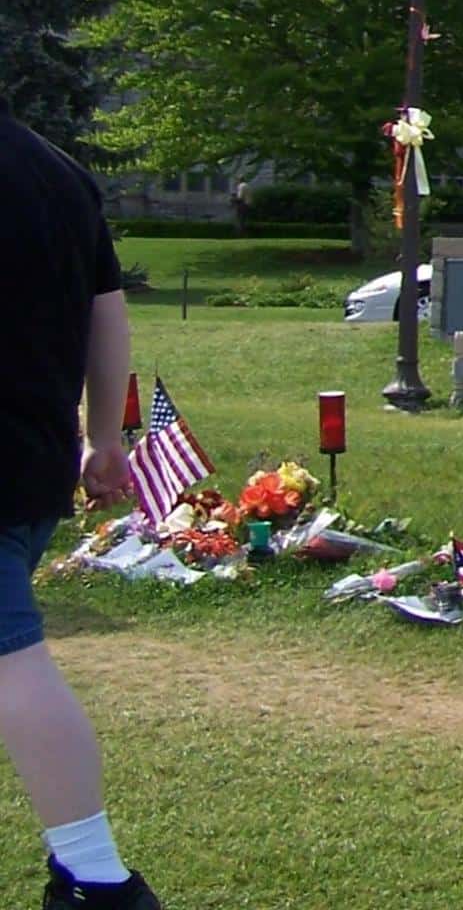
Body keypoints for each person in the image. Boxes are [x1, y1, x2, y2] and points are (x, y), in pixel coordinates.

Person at [0, 94, 161, 908]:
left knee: (9, 658)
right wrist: (104, 437)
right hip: (32, 464)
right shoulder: (57, 173)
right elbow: (110, 316)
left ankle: (97, 877)